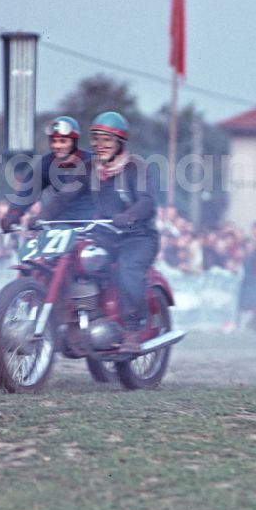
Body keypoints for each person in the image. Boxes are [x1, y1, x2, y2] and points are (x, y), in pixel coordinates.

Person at [88, 111, 160, 352]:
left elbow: (147, 201)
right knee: (78, 261)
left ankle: (132, 329)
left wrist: (129, 216)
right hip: (106, 235)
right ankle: (90, 316)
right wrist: (42, 215)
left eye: (107, 140)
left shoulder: (135, 167)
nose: (101, 146)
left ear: (119, 143)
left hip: (139, 236)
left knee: (128, 270)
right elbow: (65, 195)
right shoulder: (91, 168)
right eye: (97, 140)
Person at [0, 115, 96, 231]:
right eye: (53, 141)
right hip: (61, 225)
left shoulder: (92, 161)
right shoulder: (46, 163)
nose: (57, 146)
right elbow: (27, 191)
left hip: (94, 224)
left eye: (63, 141)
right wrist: (14, 213)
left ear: (74, 141)